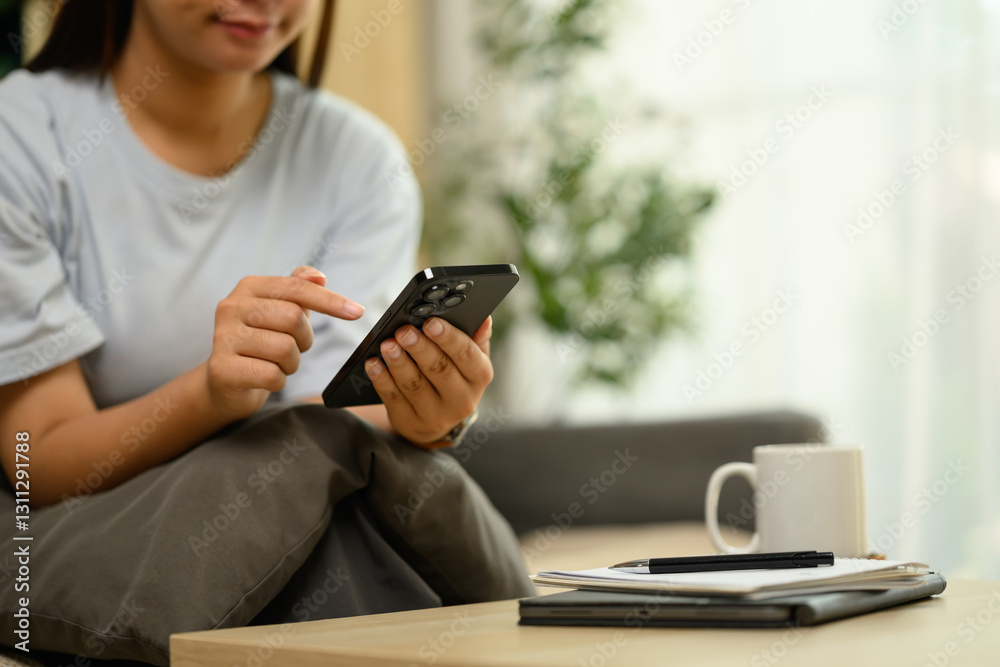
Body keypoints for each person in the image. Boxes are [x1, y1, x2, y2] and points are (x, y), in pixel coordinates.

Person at [0, 1, 532, 664]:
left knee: (348, 500)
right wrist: (210, 395)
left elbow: (339, 418)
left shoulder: (359, 159)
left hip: (293, 506)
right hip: (100, 521)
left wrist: (429, 417)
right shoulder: (20, 137)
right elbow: (38, 462)